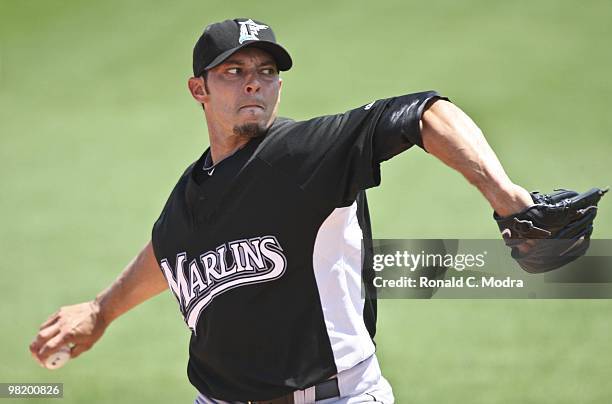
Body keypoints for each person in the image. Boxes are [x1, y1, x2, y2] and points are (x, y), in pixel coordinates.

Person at [30, 17, 535, 403]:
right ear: (198, 89)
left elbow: (424, 113)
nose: (254, 82)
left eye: (266, 72)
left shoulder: (306, 152)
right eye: (234, 71)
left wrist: (507, 200)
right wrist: (100, 312)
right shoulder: (191, 189)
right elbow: (169, 253)